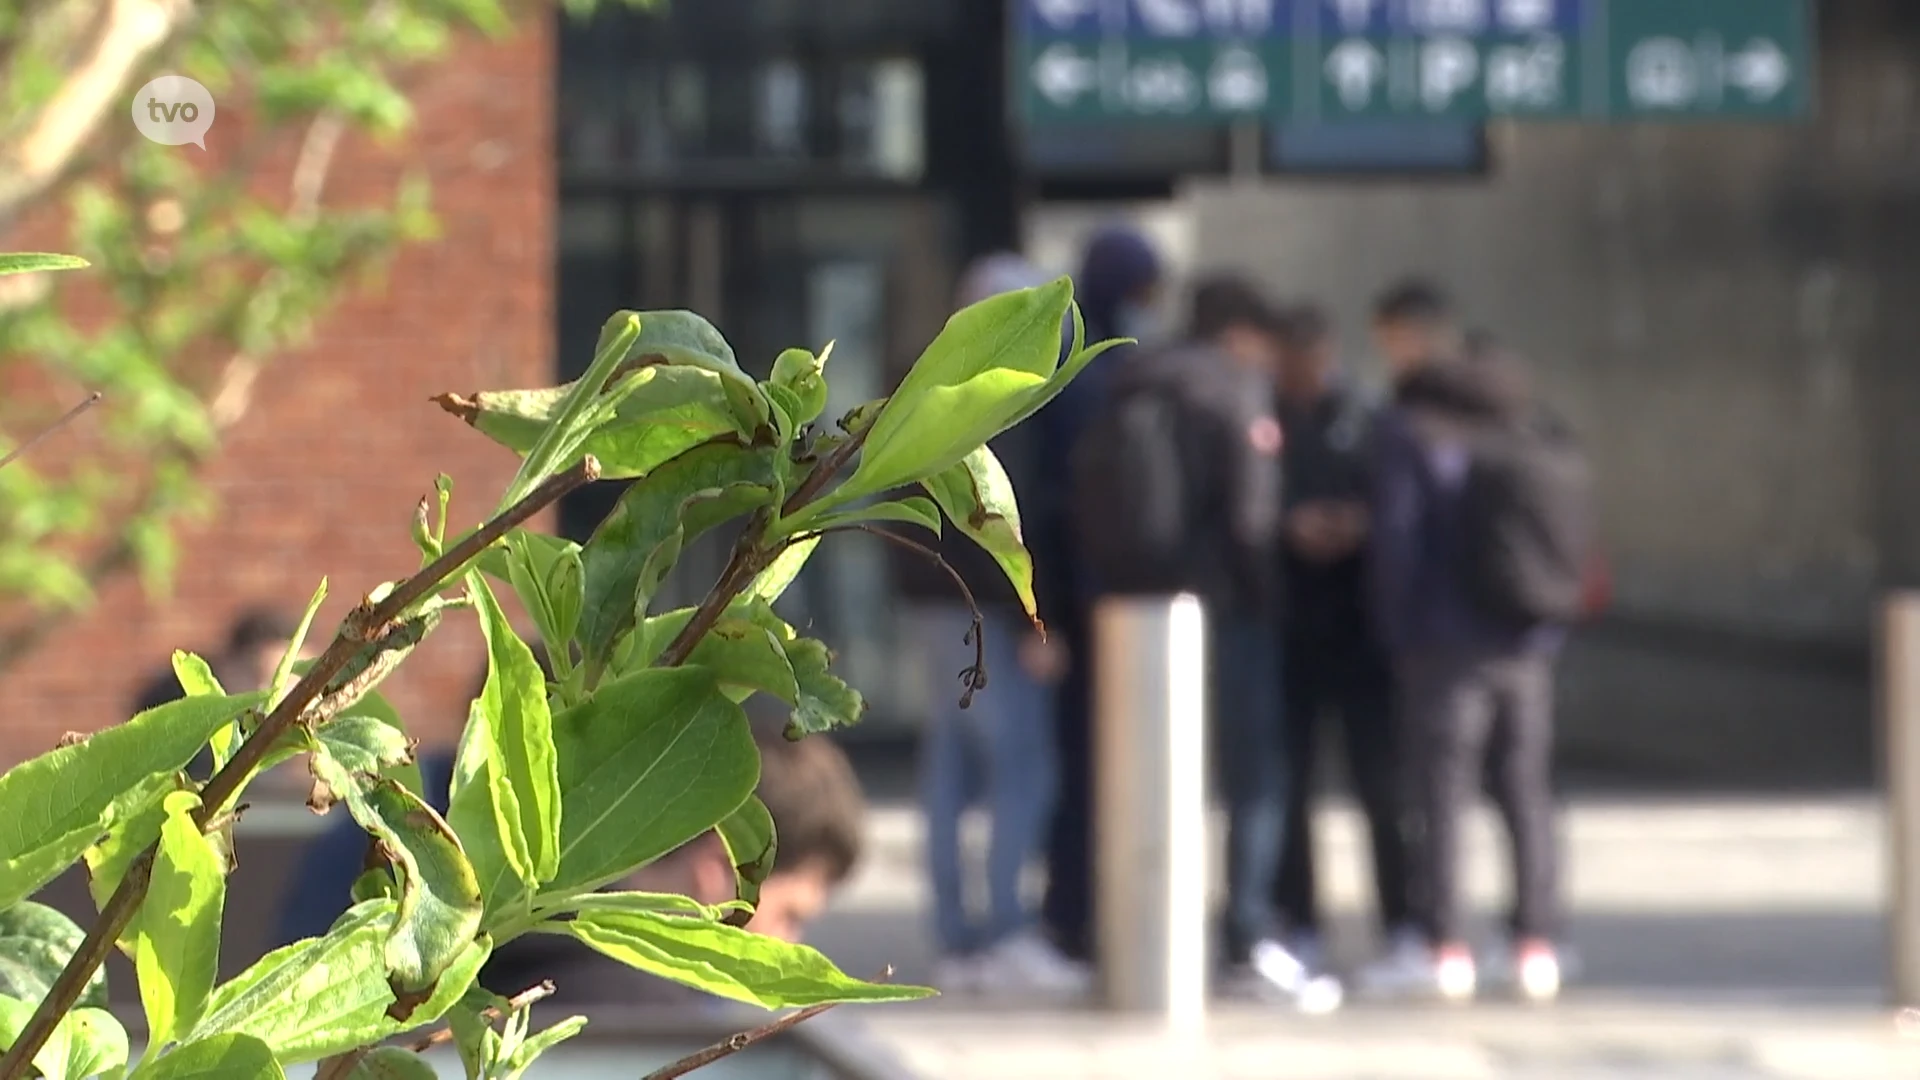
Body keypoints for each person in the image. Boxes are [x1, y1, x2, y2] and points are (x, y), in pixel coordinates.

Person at [1070, 273, 1328, 1008]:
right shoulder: (1234, 391)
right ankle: (1247, 938)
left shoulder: (1130, 381)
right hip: (1226, 610)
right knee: (1254, 780)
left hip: (1138, 610)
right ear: (1245, 334)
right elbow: (1251, 516)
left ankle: (1117, 932)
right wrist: (1264, 592)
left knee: (1140, 774)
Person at [1361, 278, 1581, 1004]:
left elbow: (1397, 536)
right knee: (1526, 792)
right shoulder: (1523, 422)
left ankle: (1446, 946)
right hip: (1525, 637)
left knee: (1442, 794)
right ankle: (1537, 945)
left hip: (1443, 643)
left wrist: (1392, 629)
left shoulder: (1410, 426)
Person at [897, 253, 1086, 996]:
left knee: (948, 769)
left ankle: (956, 939)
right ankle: (1005, 930)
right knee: (1021, 771)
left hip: (932, 603)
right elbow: (1007, 513)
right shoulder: (1004, 400)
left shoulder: (923, 389)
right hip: (991, 612)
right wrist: (1034, 615)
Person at [1268, 302, 1413, 979]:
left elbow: (1396, 506)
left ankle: (1404, 917)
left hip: (1360, 628)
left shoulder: (1369, 421)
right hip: (1289, 625)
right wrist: (1288, 526)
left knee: (1381, 784)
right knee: (1288, 787)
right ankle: (1297, 918)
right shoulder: (1262, 419)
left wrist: (1356, 525)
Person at [1035, 225, 1166, 964]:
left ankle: (1084, 913)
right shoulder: (1089, 372)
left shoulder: (1094, 363)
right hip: (1095, 603)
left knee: (1098, 763)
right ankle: (1075, 913)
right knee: (1085, 764)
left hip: (1100, 602)